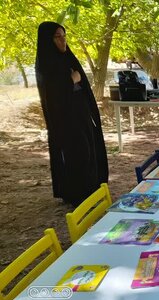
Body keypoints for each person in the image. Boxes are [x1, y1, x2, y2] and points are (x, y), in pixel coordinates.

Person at [35, 22, 109, 206]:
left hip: (81, 114)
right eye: (58, 37)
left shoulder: (68, 57)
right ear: (48, 40)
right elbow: (53, 95)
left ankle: (92, 187)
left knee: (89, 149)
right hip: (64, 120)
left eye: (64, 36)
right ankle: (77, 193)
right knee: (77, 153)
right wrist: (71, 81)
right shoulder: (45, 64)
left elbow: (82, 84)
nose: (63, 41)